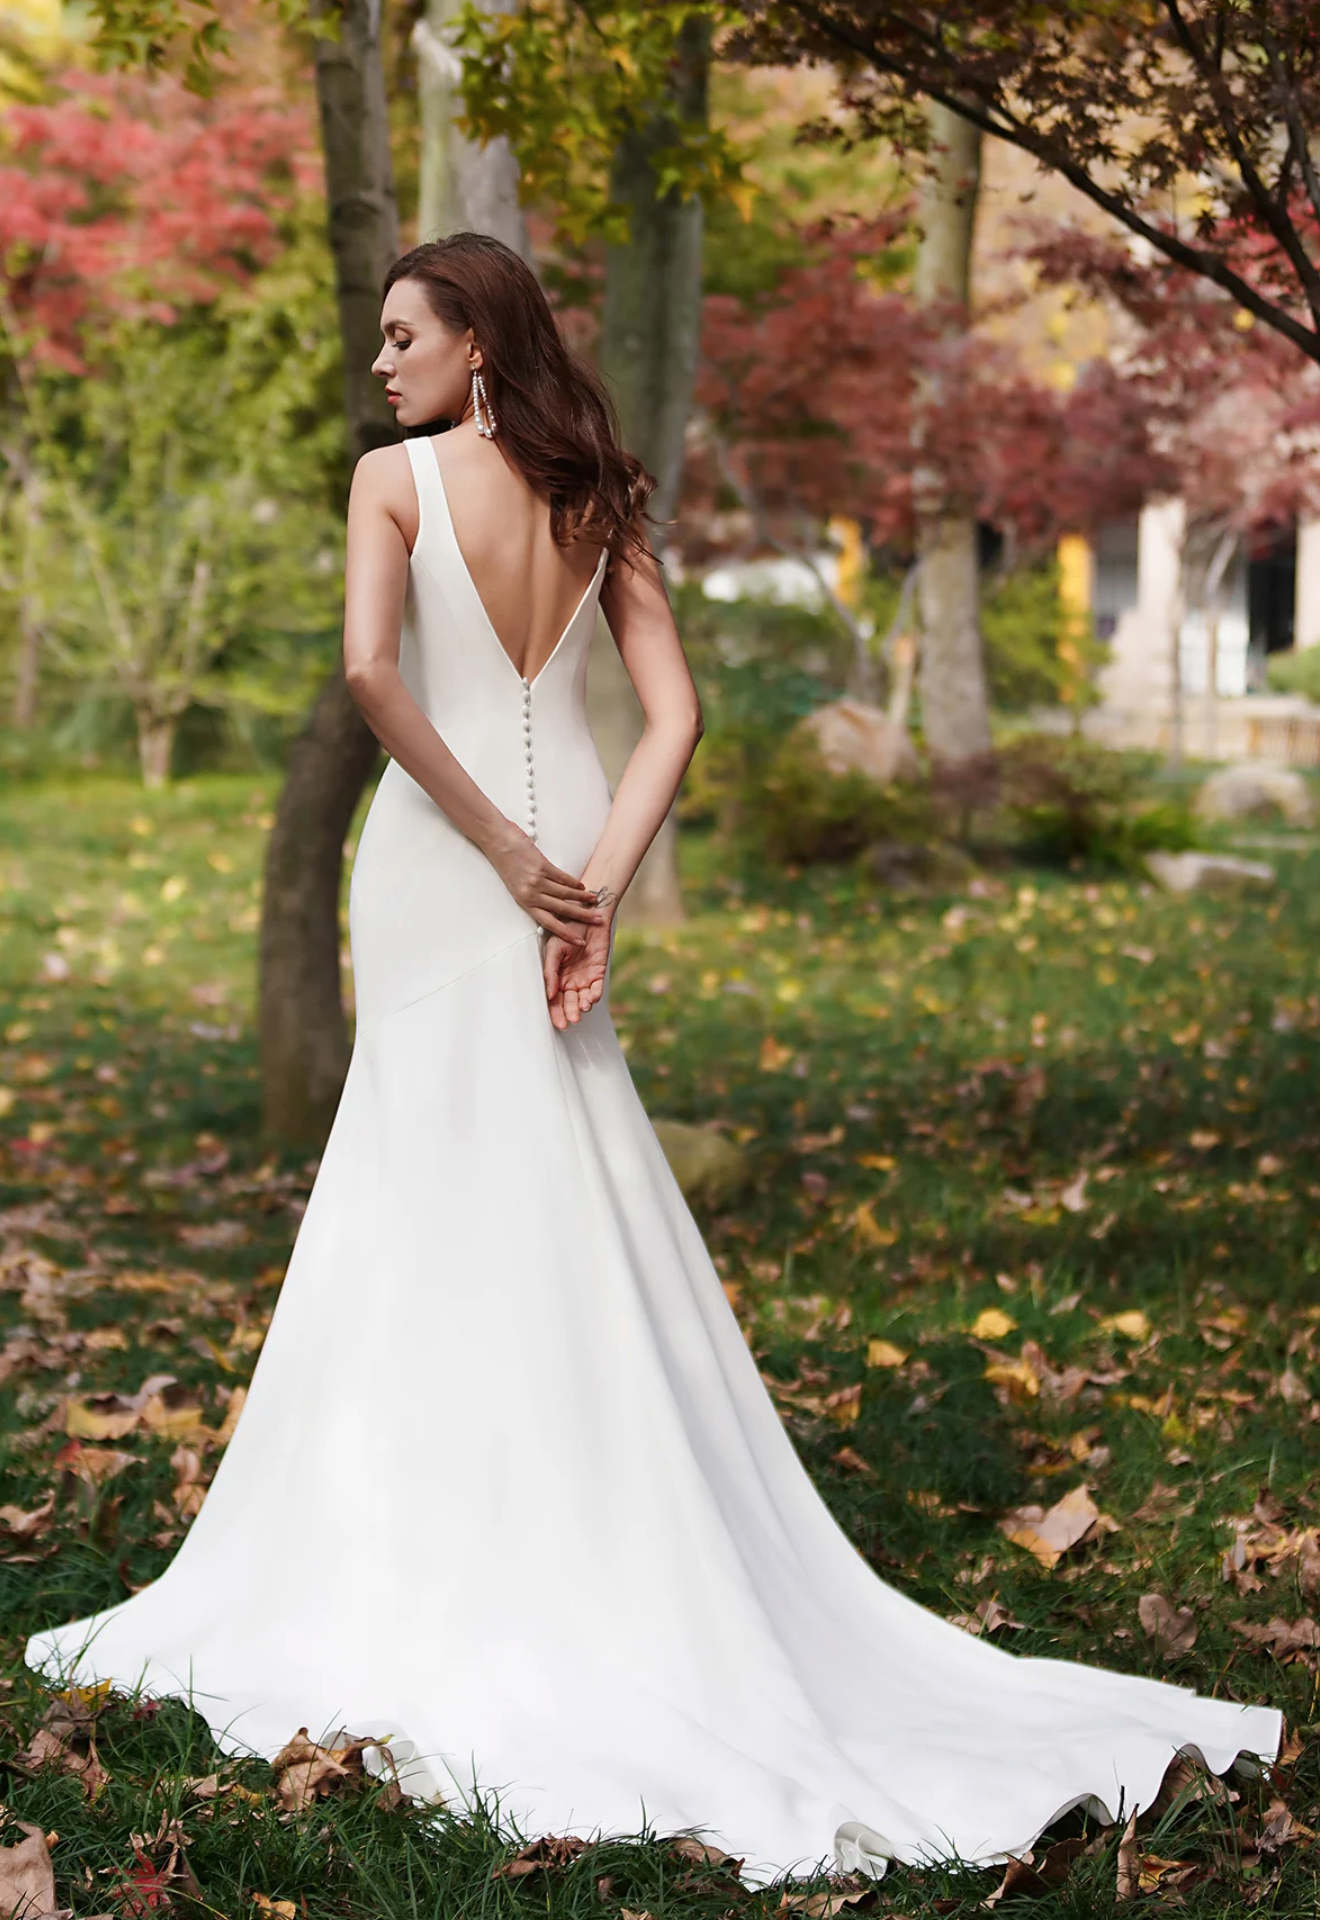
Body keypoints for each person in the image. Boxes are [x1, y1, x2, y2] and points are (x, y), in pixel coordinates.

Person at [26, 232, 1281, 1890]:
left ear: (478, 341)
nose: (382, 364)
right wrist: (591, 883)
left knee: (435, 1182)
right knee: (549, 1171)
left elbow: (369, 675)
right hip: (553, 846)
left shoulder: (394, 481)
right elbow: (671, 716)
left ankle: (438, 1543)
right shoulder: (601, 488)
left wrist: (497, 854)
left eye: (406, 334)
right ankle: (574, 1517)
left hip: (449, 860)